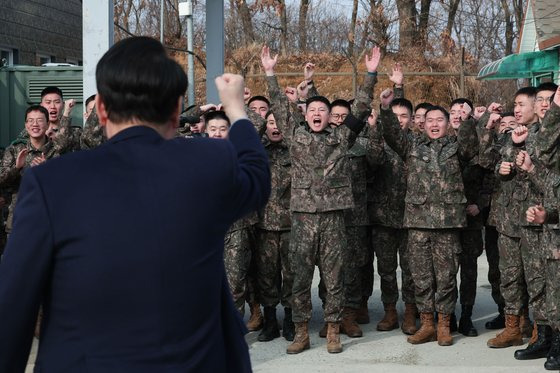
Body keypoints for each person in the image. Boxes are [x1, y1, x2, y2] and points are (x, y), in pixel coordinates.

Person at [0, 36, 270, 373]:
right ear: (175, 110)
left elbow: (12, 308)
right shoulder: (210, 163)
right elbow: (257, 176)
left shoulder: (51, 183)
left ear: (100, 109)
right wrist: (236, 111)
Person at [381, 93, 478, 346]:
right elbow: (392, 134)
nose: (434, 124)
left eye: (440, 120)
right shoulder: (412, 146)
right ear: (422, 124)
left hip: (447, 223)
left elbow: (471, 148)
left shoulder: (457, 147)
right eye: (430, 120)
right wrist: (384, 107)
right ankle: (426, 324)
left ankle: (444, 324)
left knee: (446, 277)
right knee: (421, 276)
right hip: (418, 222)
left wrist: (467, 121)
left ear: (447, 124)